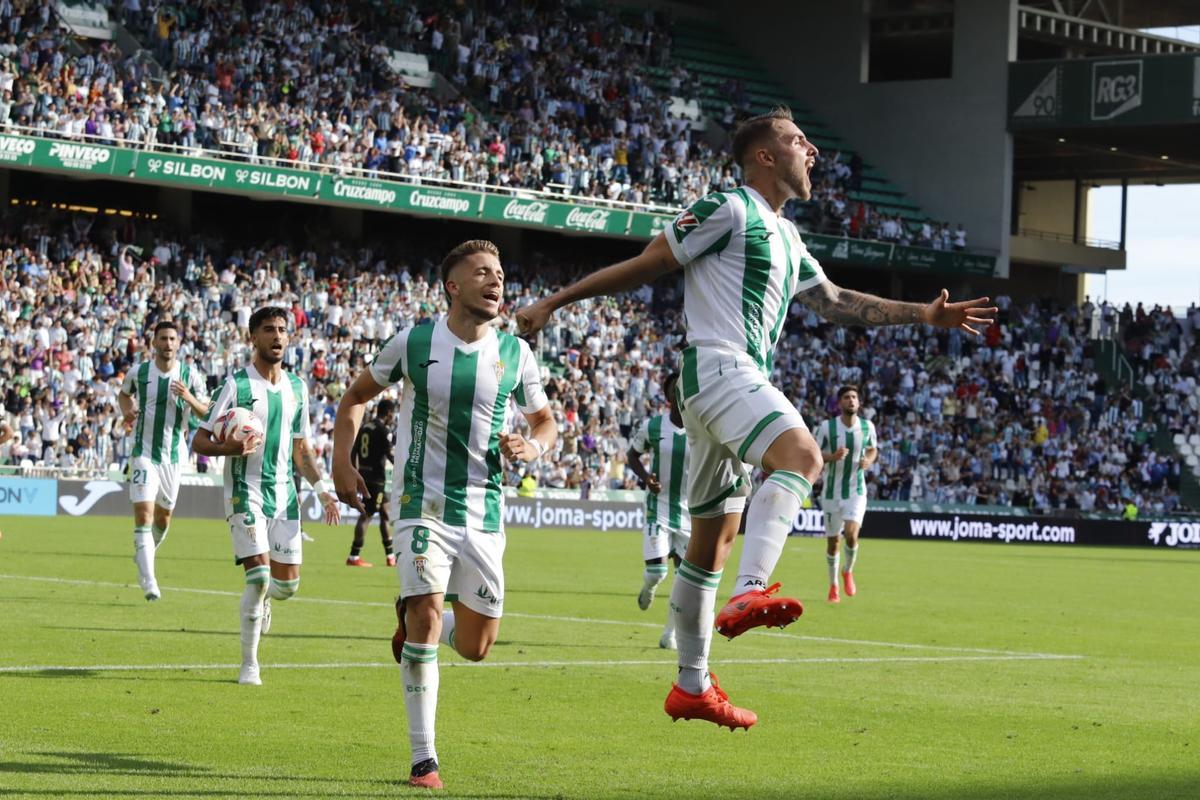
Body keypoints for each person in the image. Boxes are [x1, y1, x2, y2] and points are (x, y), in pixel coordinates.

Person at [516, 106, 995, 729]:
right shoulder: (729, 208)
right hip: (720, 365)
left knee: (709, 544)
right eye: (799, 141)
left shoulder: (788, 237)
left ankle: (691, 684)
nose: (812, 151)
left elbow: (836, 302)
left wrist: (922, 314)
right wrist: (555, 301)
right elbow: (650, 262)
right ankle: (752, 589)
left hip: (722, 384)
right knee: (803, 456)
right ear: (765, 156)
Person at [332, 240, 556, 790]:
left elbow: (545, 421)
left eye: (499, 273)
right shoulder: (413, 342)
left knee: (477, 647)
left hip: (483, 510)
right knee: (428, 616)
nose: (496, 280)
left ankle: (411, 619)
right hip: (420, 503)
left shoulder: (515, 354)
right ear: (453, 286)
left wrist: (533, 447)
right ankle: (423, 759)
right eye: (482, 272)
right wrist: (341, 461)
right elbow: (355, 397)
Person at [192, 307, 340, 686]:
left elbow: (301, 449)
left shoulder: (297, 388)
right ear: (253, 337)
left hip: (285, 495)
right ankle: (249, 665)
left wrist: (323, 492)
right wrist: (229, 449)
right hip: (245, 490)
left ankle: (266, 599)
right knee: (258, 577)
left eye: (282, 330)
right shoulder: (236, 386)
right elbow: (200, 440)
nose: (277, 336)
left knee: (286, 586)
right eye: (268, 329)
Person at [117, 320, 209, 601]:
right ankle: (149, 580)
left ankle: (144, 554)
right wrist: (127, 411)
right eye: (163, 338)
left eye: (172, 339)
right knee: (143, 515)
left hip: (174, 457)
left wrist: (188, 396)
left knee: (163, 518)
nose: (168, 343)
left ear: (178, 343)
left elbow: (206, 413)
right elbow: (124, 394)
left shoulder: (190, 375)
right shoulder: (139, 372)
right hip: (143, 454)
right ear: (154, 342)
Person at [626, 371, 689, 650]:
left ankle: (670, 634)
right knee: (657, 572)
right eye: (676, 388)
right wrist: (645, 478)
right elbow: (632, 454)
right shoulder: (653, 426)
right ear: (668, 395)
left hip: (690, 513)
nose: (681, 391)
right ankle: (649, 586)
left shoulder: (703, 428)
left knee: (685, 580)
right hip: (659, 507)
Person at [814, 385, 877, 603]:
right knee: (833, 543)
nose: (851, 400)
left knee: (851, 534)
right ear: (839, 403)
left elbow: (873, 448)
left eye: (854, 397)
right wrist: (832, 456)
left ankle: (847, 571)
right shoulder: (826, 427)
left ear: (859, 403)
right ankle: (833, 586)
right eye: (847, 397)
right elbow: (815, 453)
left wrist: (869, 460)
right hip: (831, 493)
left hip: (855, 491)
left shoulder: (867, 426)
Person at [347, 398, 396, 568]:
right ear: (388, 413)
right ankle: (353, 556)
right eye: (393, 414)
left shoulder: (365, 427)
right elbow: (390, 454)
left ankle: (390, 557)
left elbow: (354, 451)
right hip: (377, 479)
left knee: (385, 513)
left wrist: (354, 471)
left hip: (365, 476)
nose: (393, 418)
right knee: (367, 515)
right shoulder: (383, 430)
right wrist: (406, 468)